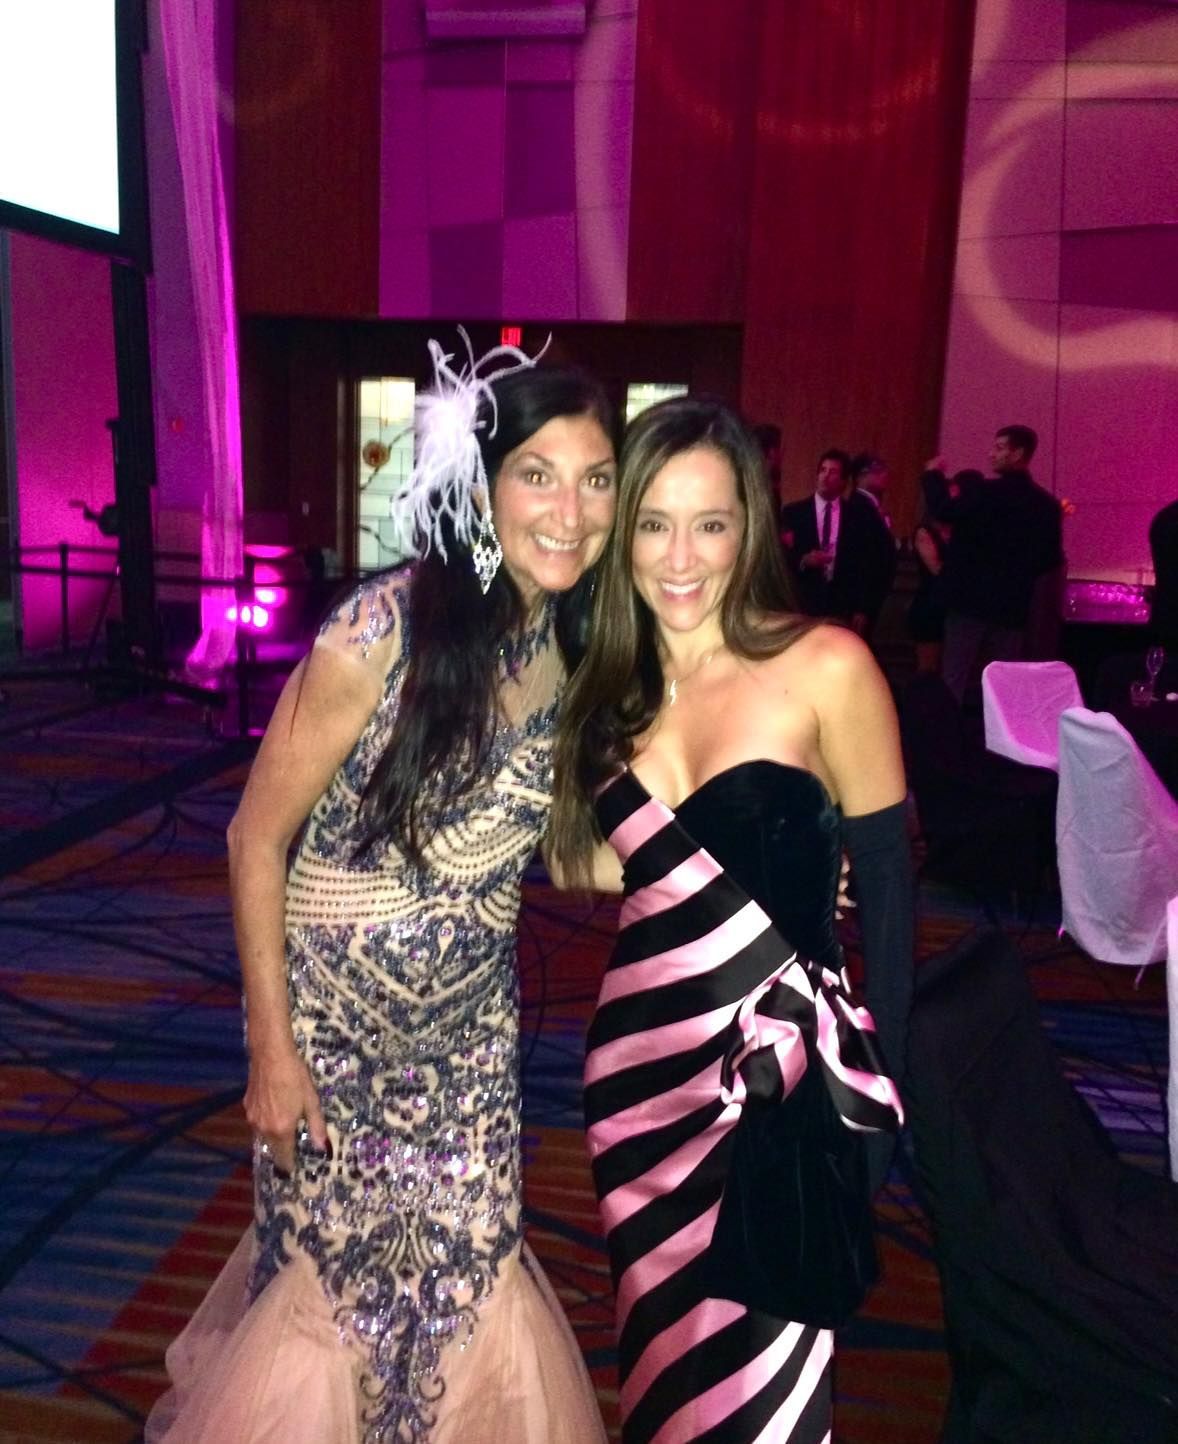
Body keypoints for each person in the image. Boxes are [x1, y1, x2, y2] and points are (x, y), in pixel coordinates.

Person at [146, 337, 617, 1444]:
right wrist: (271, 1049)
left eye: (595, 478)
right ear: (483, 483)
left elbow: (557, 849)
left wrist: (739, 871)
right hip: (329, 1040)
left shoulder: (579, 644)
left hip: (466, 1039)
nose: (568, 508)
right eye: (537, 473)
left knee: (469, 1269)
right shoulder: (382, 627)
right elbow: (253, 837)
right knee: (335, 1297)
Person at [549, 398, 910, 1442]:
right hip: (637, 1093)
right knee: (662, 1387)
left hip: (775, 1099)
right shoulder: (604, 690)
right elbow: (597, 864)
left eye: (709, 522)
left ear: (749, 526)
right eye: (652, 522)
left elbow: (888, 912)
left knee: (762, 1406)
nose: (679, 555)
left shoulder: (826, 665)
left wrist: (881, 1124)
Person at [923, 425, 1063, 702]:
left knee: (955, 679)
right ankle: (1001, 742)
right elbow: (1050, 559)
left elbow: (943, 511)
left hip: (969, 602)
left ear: (1017, 453)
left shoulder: (984, 493)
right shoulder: (1046, 505)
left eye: (999, 448)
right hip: (1011, 607)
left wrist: (931, 475)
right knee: (1004, 684)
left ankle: (947, 740)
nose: (991, 454)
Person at [779, 448, 895, 636]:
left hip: (843, 604)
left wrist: (863, 608)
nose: (825, 477)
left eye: (833, 472)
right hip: (804, 601)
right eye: (822, 470)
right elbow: (781, 556)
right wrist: (804, 560)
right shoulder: (794, 513)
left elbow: (867, 563)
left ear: (844, 481)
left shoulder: (856, 515)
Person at [907, 501, 957, 675]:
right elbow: (935, 568)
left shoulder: (957, 531)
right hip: (929, 603)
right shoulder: (925, 532)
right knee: (928, 667)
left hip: (950, 605)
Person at [850, 451, 893, 531]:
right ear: (860, 476)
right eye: (877, 470)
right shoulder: (857, 508)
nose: (884, 474)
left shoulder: (873, 505)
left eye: (884, 470)